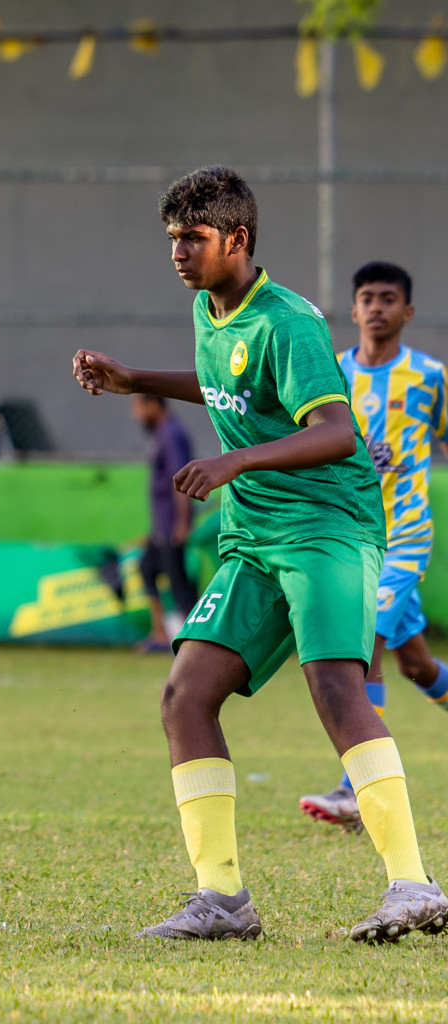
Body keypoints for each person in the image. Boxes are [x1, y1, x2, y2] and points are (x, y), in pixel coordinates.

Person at [72, 165, 445, 943]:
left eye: (193, 240)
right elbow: (229, 388)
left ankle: (412, 886)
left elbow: (337, 430)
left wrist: (233, 462)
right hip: (254, 536)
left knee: (337, 687)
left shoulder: (290, 321)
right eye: (173, 240)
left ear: (236, 239)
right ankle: (223, 904)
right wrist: (132, 378)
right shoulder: (211, 307)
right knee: (185, 695)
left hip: (326, 528)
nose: (178, 253)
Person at [300, 262, 448, 829]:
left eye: (390, 299)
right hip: (356, 534)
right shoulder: (334, 375)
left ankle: (353, 788)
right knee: (417, 664)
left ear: (406, 312)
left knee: (366, 644)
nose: (378, 307)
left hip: (406, 534)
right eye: (368, 298)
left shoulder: (431, 376)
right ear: (354, 309)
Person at [131, 393, 197, 653]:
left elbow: (180, 479)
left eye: (138, 406)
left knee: (179, 584)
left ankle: (194, 642)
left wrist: (182, 523)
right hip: (162, 526)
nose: (136, 414)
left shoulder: (171, 433)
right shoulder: (161, 433)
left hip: (172, 526)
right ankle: (160, 634)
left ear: (154, 404)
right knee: (147, 569)